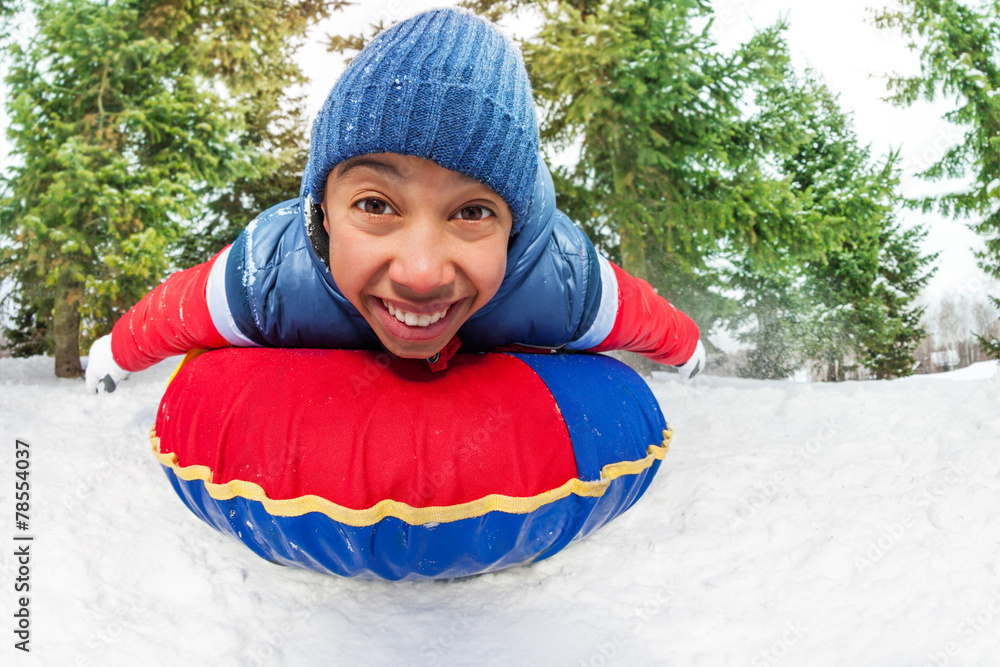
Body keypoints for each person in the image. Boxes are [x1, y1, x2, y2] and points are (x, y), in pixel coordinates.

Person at [85, 7, 705, 393]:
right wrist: (113, 354)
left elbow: (645, 318)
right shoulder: (273, 274)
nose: (420, 274)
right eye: (376, 205)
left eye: (472, 212)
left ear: (515, 227)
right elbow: (175, 311)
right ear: (323, 209)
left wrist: (689, 352)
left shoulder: (560, 280)